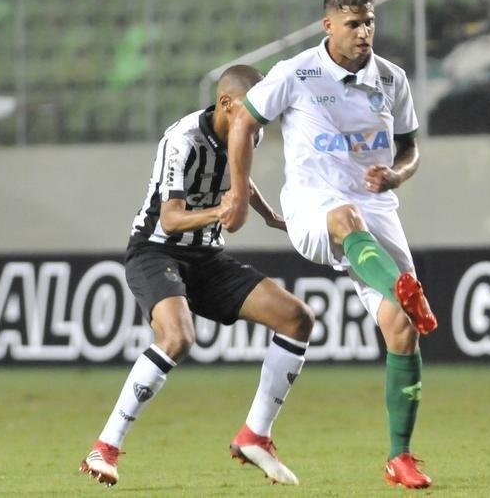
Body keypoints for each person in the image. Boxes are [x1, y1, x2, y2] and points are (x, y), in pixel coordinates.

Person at [221, 0, 438, 490]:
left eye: (369, 23)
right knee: (345, 220)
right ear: (328, 26)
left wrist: (397, 175)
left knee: (401, 330)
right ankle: (401, 287)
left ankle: (399, 458)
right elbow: (242, 123)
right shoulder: (295, 73)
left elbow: (410, 148)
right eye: (353, 24)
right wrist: (237, 194)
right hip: (313, 205)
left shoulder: (392, 79)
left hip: (377, 206)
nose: (364, 33)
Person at [80, 64, 315, 488]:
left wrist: (270, 217)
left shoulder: (246, 131)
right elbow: (170, 219)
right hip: (156, 251)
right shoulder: (181, 140)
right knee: (177, 337)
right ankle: (106, 447)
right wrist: (221, 212)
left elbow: (238, 182)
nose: (256, 124)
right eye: (250, 112)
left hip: (207, 258)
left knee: (297, 318)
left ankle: (255, 435)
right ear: (226, 103)